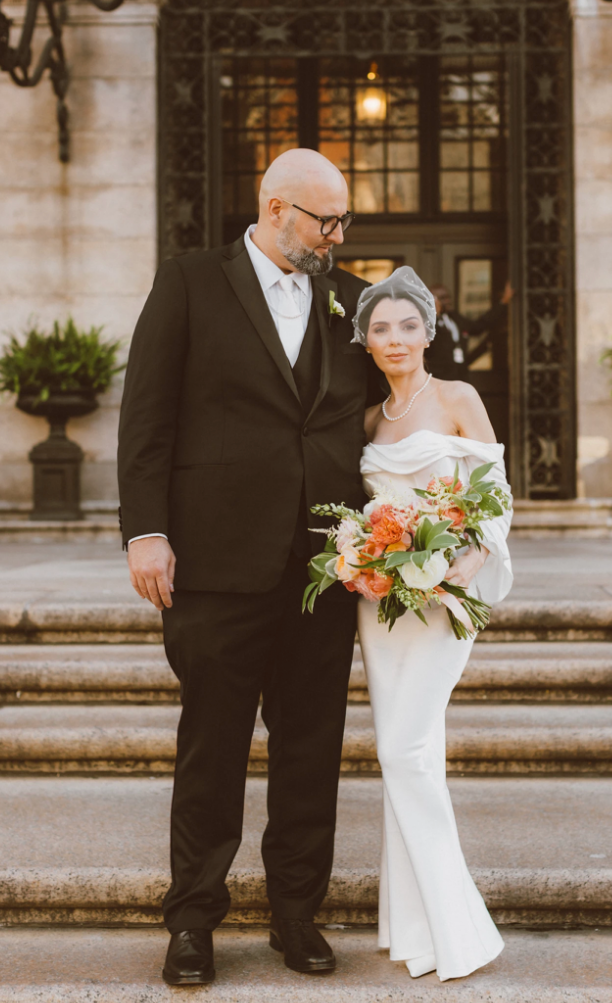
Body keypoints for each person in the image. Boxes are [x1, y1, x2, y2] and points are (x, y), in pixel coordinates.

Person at [118, 149, 380, 985]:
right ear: (274, 209)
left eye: (342, 220)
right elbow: (147, 414)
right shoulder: (190, 282)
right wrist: (145, 531)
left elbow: (387, 409)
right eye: (325, 221)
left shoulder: (350, 300)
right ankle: (192, 918)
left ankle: (295, 913)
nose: (337, 236)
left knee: (311, 749)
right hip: (214, 563)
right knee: (212, 745)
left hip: (323, 567)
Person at [353, 266, 513, 981]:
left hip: (445, 599)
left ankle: (459, 928)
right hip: (382, 608)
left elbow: (494, 491)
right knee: (413, 753)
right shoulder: (367, 420)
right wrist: (362, 558)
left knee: (403, 751)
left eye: (407, 326)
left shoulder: (457, 398)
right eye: (381, 328)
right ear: (366, 341)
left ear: (428, 331)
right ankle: (416, 932)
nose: (395, 338)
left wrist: (469, 561)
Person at [424, 281, 513, 382]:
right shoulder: (427, 322)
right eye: (442, 298)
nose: (447, 301)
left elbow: (478, 327)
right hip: (438, 379)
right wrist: (434, 315)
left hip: (460, 377)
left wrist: (503, 302)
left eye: (448, 297)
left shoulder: (454, 317)